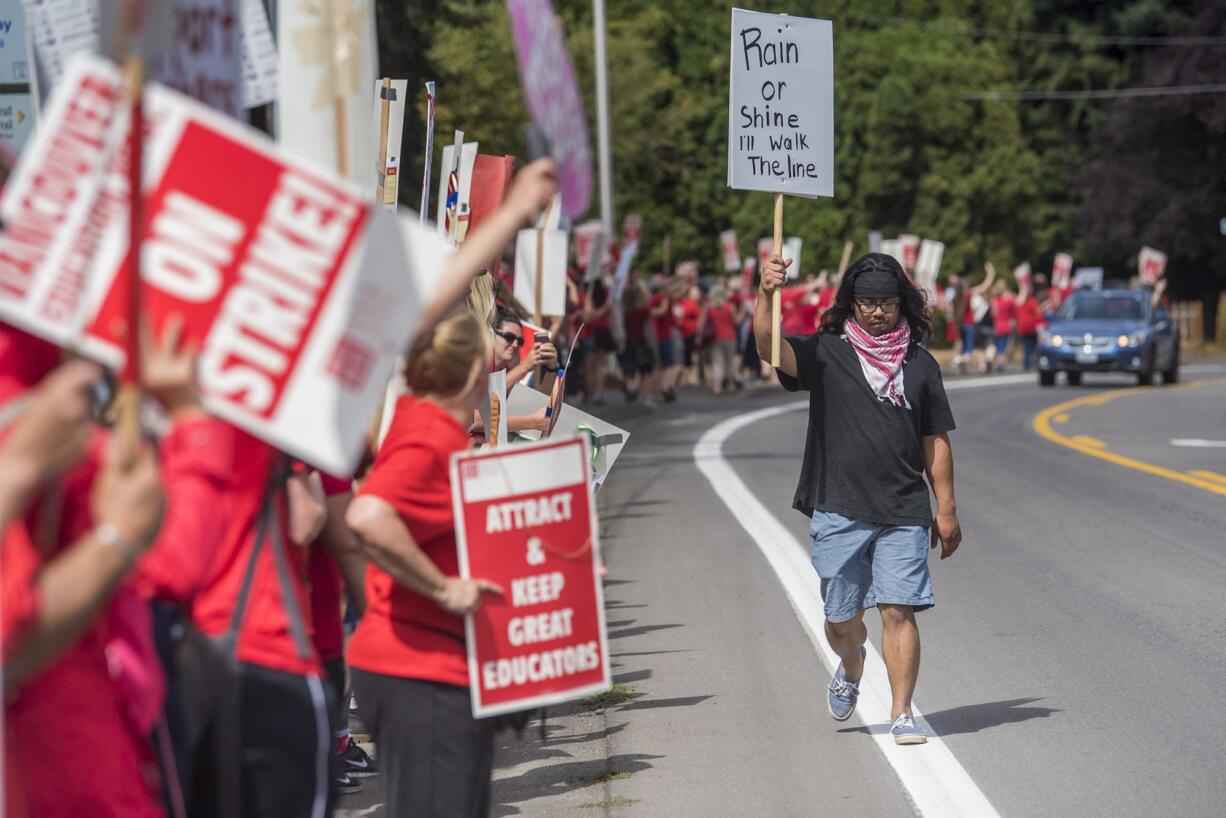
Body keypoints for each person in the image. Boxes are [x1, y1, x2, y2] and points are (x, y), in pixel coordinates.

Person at [755, 252, 962, 746]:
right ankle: (852, 662)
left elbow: (935, 440)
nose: (877, 312)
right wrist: (766, 293)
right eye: (867, 302)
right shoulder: (827, 351)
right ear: (852, 304)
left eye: (887, 303)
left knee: (899, 609)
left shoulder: (920, 364)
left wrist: (947, 507)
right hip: (839, 505)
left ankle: (901, 712)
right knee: (842, 619)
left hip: (904, 508)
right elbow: (768, 347)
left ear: (902, 305)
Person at [345, 310, 504, 817]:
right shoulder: (432, 435)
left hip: (429, 666)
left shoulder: (430, 423)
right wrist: (442, 590)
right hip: (419, 670)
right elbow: (368, 514)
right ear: (478, 370)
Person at [705, 285, 740, 395]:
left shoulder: (709, 307)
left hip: (716, 337)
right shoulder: (730, 306)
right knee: (730, 361)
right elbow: (736, 321)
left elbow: (702, 323)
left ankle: (717, 387)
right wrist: (743, 310)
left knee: (717, 362)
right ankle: (730, 384)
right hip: (730, 337)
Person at [989, 280, 1016, 372]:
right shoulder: (1008, 300)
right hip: (1005, 325)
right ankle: (1000, 363)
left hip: (996, 325)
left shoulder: (994, 300)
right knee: (1003, 345)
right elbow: (1013, 312)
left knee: (997, 344)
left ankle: (995, 360)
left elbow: (993, 314)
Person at [1015, 284, 1042, 371]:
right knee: (1033, 346)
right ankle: (1032, 363)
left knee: (1027, 346)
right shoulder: (1031, 301)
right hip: (1031, 327)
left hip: (1024, 327)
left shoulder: (1021, 301)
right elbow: (1038, 311)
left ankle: (1027, 364)